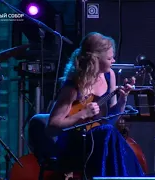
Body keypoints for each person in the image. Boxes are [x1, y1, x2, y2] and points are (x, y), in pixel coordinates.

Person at [45, 32, 145, 178]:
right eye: (109, 58)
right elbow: (52, 126)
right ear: (96, 60)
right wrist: (82, 114)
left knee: (109, 132)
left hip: (99, 141)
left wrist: (123, 98)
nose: (113, 60)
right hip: (76, 144)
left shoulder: (109, 75)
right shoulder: (73, 87)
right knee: (108, 133)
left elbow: (111, 119)